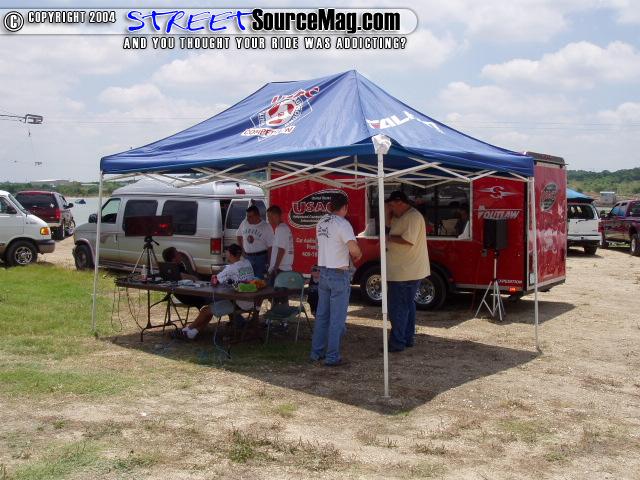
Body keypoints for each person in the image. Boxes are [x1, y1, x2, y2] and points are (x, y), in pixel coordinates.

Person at [310, 196, 362, 366]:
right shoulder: (343, 224)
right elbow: (354, 249)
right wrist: (359, 254)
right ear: (345, 207)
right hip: (338, 273)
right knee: (337, 319)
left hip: (323, 271)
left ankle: (316, 352)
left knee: (322, 316)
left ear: (330, 206)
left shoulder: (321, 222)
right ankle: (332, 356)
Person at [385, 191, 430, 352]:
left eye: (392, 205)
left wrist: (388, 238)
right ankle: (406, 338)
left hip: (405, 271)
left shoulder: (413, 217)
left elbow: (408, 240)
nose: (390, 208)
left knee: (398, 308)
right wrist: (388, 212)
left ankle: (397, 342)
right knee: (406, 306)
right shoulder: (401, 216)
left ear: (400, 203)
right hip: (404, 269)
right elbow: (388, 224)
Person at [181, 244, 254, 340]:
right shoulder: (247, 262)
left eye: (227, 252)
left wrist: (216, 277)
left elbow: (214, 281)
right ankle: (192, 333)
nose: (225, 254)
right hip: (251, 301)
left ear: (230, 254)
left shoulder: (231, 268)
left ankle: (186, 330)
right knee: (209, 309)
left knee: (205, 310)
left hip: (238, 302)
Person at [237, 205, 274, 279]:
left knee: (259, 280)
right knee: (247, 279)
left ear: (257, 216)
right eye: (247, 216)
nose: (248, 219)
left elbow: (270, 247)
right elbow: (239, 235)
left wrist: (270, 262)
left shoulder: (266, 226)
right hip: (247, 257)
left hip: (261, 258)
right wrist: (242, 250)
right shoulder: (244, 223)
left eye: (250, 216)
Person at [266, 205, 294, 282]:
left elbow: (281, 250)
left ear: (275, 216)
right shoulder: (284, 227)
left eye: (269, 217)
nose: (268, 219)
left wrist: (275, 268)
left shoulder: (281, 229)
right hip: (284, 268)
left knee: (275, 289)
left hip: (280, 269)